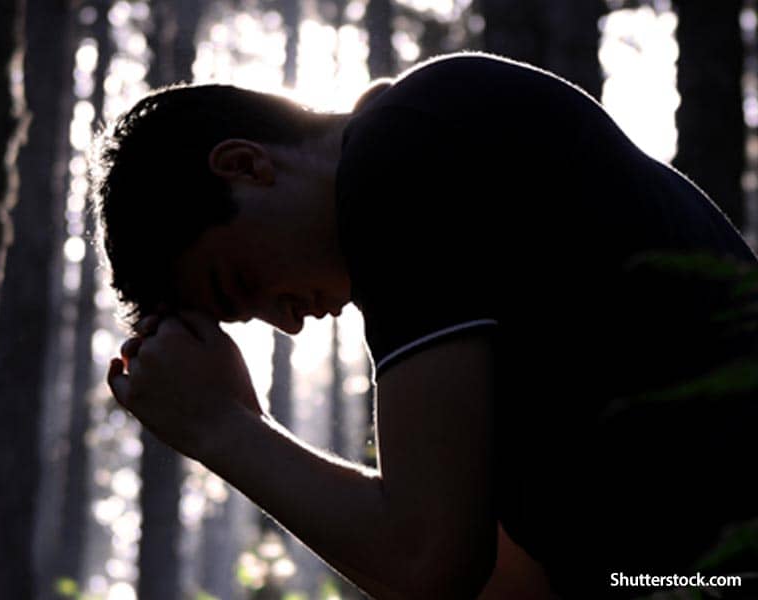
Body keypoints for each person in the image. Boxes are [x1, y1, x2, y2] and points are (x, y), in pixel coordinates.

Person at [91, 52, 758, 599]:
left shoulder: (401, 151)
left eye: (240, 284)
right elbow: (509, 582)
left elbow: (428, 565)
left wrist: (223, 428)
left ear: (244, 165)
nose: (288, 322)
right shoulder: (430, 155)